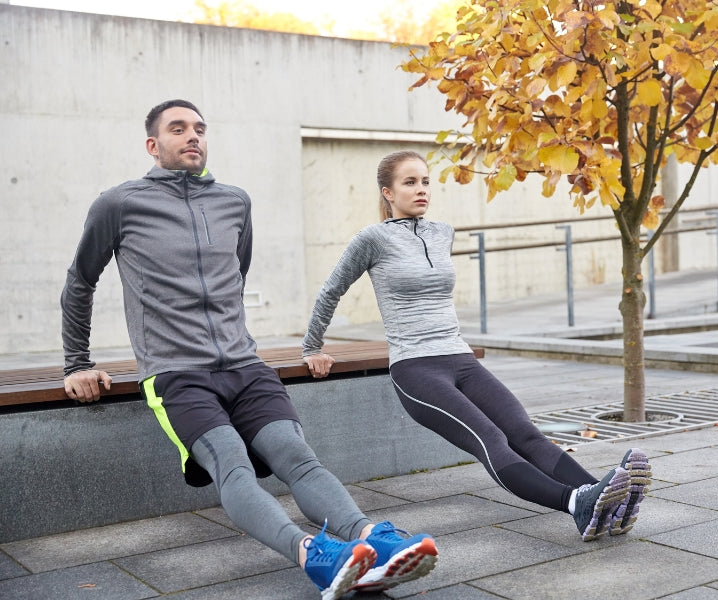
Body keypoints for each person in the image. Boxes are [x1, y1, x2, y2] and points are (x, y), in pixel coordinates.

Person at [60, 102, 438, 600]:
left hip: (244, 364)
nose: (192, 136)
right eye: (178, 129)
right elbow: (79, 281)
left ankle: (372, 541)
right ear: (153, 145)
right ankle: (316, 555)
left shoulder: (235, 201)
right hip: (176, 373)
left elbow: (235, 277)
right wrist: (77, 362)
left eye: (199, 129)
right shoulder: (119, 205)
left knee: (298, 457)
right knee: (232, 464)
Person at [302, 150, 652, 542]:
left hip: (460, 359)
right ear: (388, 192)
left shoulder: (441, 232)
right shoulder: (371, 239)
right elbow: (331, 290)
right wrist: (312, 347)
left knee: (525, 433)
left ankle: (609, 500)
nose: (422, 190)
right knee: (492, 440)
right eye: (410, 182)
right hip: (416, 369)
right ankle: (576, 503)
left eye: (426, 181)